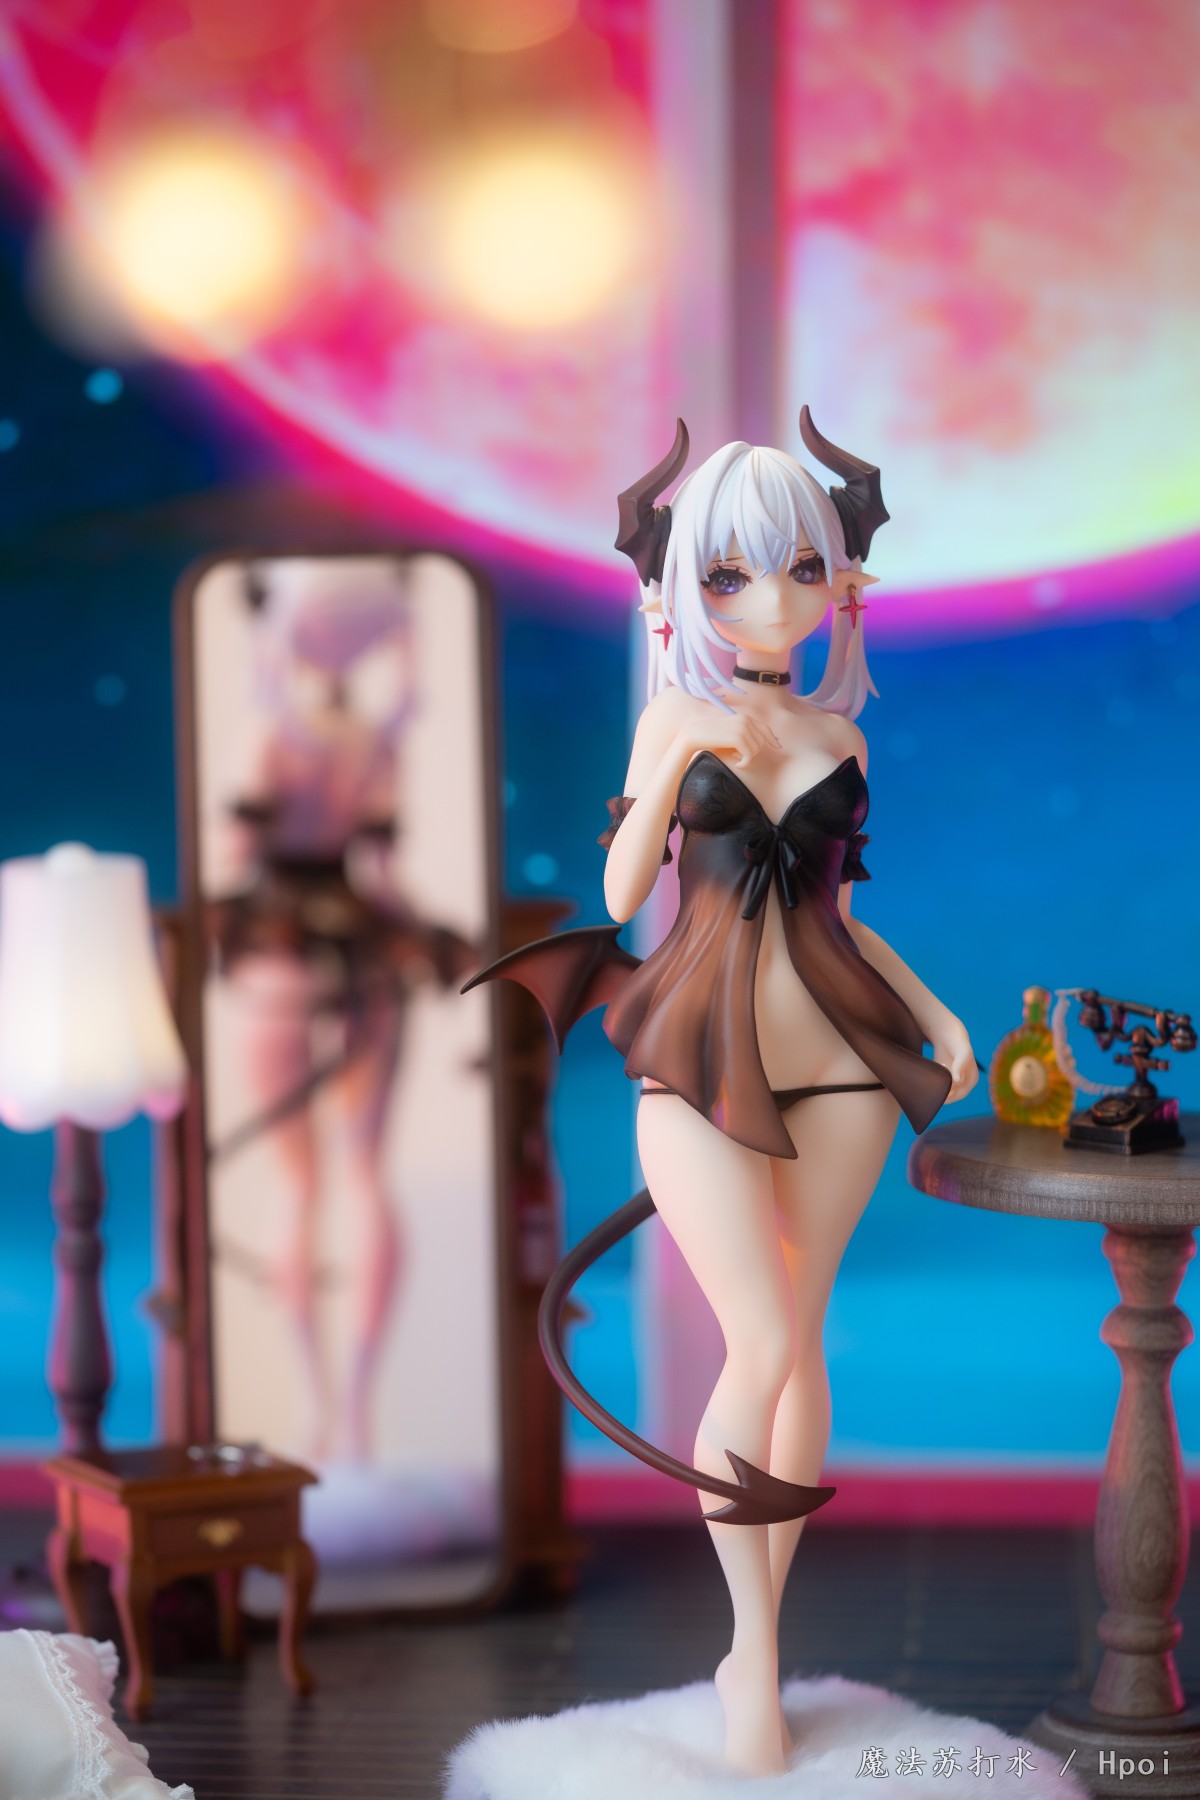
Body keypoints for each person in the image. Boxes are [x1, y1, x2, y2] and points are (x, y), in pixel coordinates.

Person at [470, 410, 978, 1777]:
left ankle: (762, 1639)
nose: (771, 600)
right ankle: (745, 1650)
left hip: (843, 1065)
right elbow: (619, 893)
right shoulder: (677, 717)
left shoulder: (840, 736)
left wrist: (934, 1013)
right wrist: (674, 755)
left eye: (802, 570)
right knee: (757, 1344)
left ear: (840, 580)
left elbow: (841, 919)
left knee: (799, 1342)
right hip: (695, 1063)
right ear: (684, 586)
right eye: (731, 574)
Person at [211, 557, 474, 1464]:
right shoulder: (371, 741)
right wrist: (425, 934)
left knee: (302, 1184)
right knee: (363, 1175)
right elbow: (384, 877)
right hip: (360, 955)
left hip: (281, 962)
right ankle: (350, 1417)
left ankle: (321, 1410)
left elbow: (237, 856)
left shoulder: (271, 735)